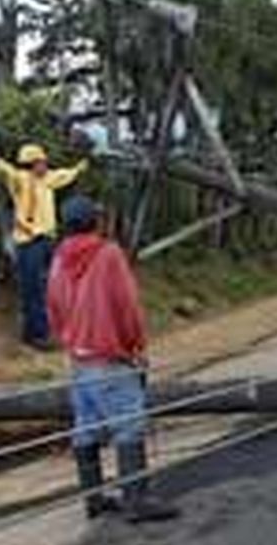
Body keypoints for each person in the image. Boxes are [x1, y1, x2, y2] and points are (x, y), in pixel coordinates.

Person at [48, 196, 179, 523]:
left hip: (79, 359)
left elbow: (53, 306)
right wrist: (136, 345)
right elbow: (127, 305)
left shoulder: (59, 258)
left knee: (86, 428)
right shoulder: (108, 254)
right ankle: (136, 500)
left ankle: (93, 499)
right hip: (110, 356)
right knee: (129, 424)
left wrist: (71, 339)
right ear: (96, 221)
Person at [0, 143, 88, 350]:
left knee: (43, 288)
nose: (45, 165)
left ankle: (35, 333)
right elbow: (7, 172)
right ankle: (37, 335)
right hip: (29, 242)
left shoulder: (48, 178)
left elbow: (66, 175)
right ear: (32, 164)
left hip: (47, 240)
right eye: (41, 162)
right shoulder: (21, 179)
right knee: (32, 289)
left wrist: (81, 166)